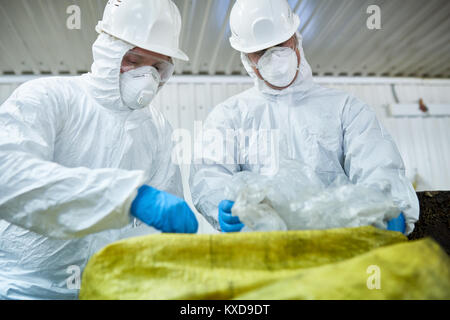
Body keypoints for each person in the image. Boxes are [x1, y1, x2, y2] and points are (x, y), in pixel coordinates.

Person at [0, 0, 197, 300]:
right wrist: (127, 197)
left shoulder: (156, 128)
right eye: (133, 59)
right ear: (108, 50)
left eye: (158, 67)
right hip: (23, 287)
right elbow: (8, 176)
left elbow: (161, 220)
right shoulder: (49, 97)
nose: (147, 78)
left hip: (104, 290)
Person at [189, 0, 418, 235]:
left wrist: (391, 207)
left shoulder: (346, 109)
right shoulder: (229, 116)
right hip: (263, 252)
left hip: (339, 248)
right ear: (247, 59)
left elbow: (379, 167)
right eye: (260, 52)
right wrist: (222, 205)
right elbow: (209, 175)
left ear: (296, 38)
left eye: (280, 44)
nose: (275, 58)